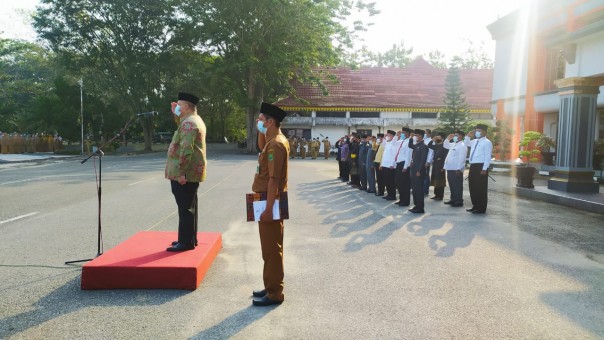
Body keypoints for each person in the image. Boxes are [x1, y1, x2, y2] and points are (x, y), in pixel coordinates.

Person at [251, 102, 289, 306]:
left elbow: (274, 179)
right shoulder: (271, 140)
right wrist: (261, 130)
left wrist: (267, 209)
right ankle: (270, 285)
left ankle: (275, 293)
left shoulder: (276, 144)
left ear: (271, 121)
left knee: (272, 249)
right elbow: (260, 146)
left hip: (269, 200)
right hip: (267, 198)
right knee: (269, 248)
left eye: (261, 120)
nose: (258, 122)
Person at [165, 92, 207, 252]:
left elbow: (186, 150)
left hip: (184, 174)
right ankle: (189, 238)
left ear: (188, 107)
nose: (176, 107)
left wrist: (182, 172)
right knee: (188, 207)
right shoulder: (191, 120)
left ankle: (186, 242)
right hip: (190, 173)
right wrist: (176, 114)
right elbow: (182, 132)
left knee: (185, 208)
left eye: (179, 105)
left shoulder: (189, 123)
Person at [465, 124, 493, 214]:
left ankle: (481, 208)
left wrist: (484, 168)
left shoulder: (487, 142)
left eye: (479, 130)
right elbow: (466, 143)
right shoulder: (474, 141)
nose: (477, 132)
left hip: (481, 166)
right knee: (472, 186)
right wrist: (468, 136)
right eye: (476, 130)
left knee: (480, 187)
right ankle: (475, 205)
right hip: (473, 166)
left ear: (484, 132)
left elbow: (488, 156)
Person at [443, 130, 467, 207]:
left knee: (457, 185)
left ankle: (459, 200)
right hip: (450, 168)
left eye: (456, 135)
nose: (454, 137)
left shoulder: (462, 146)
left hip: (456, 169)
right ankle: (453, 199)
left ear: (461, 136)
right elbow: (445, 145)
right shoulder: (453, 144)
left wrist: (459, 168)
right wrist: (447, 138)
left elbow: (462, 158)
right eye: (454, 135)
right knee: (452, 185)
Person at [408, 129, 429, 213]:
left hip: (419, 171)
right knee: (414, 189)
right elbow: (410, 145)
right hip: (414, 169)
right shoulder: (417, 145)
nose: (415, 137)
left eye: (416, 135)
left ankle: (420, 207)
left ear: (420, 136)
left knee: (419, 189)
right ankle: (416, 205)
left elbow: (423, 160)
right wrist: (411, 137)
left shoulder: (424, 146)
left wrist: (419, 170)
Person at [427, 132, 449, 200]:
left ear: (442, 139)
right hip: (435, 164)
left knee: (440, 181)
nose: (437, 139)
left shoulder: (444, 146)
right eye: (437, 137)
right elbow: (429, 145)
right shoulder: (436, 145)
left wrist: (443, 167)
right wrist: (433, 140)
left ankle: (440, 196)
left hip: (440, 165)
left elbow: (445, 157)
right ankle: (436, 195)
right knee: (435, 180)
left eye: (439, 137)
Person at [394, 127, 412, 207]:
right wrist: (396, 136)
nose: (402, 134)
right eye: (402, 132)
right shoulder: (402, 141)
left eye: (404, 132)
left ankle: (405, 201)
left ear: (408, 133)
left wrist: (405, 166)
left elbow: (408, 155)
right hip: (399, 163)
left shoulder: (409, 142)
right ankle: (401, 199)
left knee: (404, 184)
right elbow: (393, 144)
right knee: (399, 183)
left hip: (404, 164)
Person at [379, 130, 397, 200]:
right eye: (387, 135)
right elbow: (383, 143)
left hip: (390, 166)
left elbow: (394, 155)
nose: (387, 136)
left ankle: (392, 195)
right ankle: (389, 194)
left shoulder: (393, 144)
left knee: (391, 182)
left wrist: (392, 164)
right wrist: (384, 137)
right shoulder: (388, 143)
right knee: (386, 181)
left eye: (388, 135)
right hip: (385, 165)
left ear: (392, 136)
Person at [423, 129, 433, 196]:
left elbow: (431, 152)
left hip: (426, 161)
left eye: (425, 133)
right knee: (422, 175)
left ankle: (425, 190)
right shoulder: (424, 140)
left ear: (429, 134)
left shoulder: (430, 141)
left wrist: (428, 161)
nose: (424, 134)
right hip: (422, 160)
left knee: (426, 176)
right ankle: (423, 188)